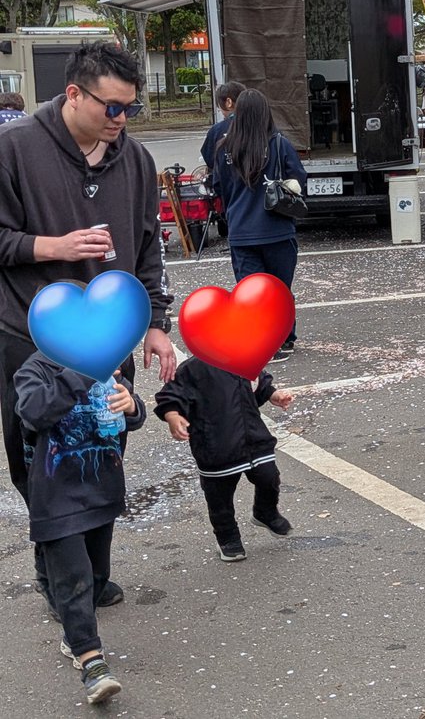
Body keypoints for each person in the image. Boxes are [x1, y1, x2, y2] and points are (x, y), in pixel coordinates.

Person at [0, 42, 175, 613]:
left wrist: (156, 322)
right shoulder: (15, 147)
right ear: (73, 94)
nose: (121, 119)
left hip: (108, 337)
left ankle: (92, 573)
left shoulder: (136, 159)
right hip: (29, 338)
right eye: (112, 107)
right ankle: (59, 572)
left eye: (131, 108)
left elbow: (148, 248)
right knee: (39, 462)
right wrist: (52, 247)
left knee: (103, 451)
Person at [15, 352, 145, 704]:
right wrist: (82, 373)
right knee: (74, 580)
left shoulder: (107, 365)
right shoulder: (35, 369)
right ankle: (92, 662)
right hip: (56, 499)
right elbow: (34, 413)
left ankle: (74, 636)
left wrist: (131, 406)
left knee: (97, 575)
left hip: (102, 492)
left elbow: (131, 414)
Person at [155, 357, 295, 562]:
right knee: (219, 497)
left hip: (254, 438)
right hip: (215, 445)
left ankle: (265, 512)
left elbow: (259, 383)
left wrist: (274, 394)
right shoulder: (193, 368)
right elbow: (170, 396)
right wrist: (173, 416)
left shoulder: (243, 358)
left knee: (269, 477)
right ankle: (227, 536)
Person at [210, 88, 306, 362]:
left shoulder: (224, 148)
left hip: (241, 231)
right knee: (280, 289)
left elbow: (219, 187)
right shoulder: (279, 144)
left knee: (252, 293)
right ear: (266, 113)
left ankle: (265, 341)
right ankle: (285, 338)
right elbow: (299, 179)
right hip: (277, 229)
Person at [200, 80, 246, 171]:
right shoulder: (262, 125)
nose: (220, 111)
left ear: (229, 102)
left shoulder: (217, 130)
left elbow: (209, 160)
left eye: (219, 106)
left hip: (226, 179)